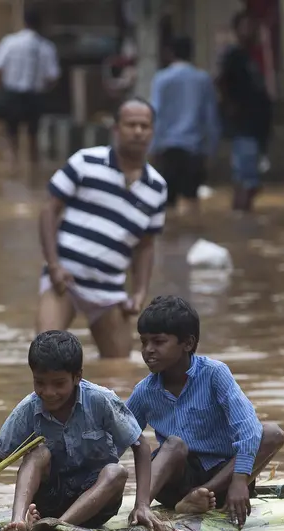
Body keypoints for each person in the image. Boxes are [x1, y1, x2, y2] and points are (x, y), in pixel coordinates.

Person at [0, 330, 168, 531]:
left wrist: (142, 505)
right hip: (50, 502)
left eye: (58, 383)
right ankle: (19, 521)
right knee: (37, 453)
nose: (48, 392)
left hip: (96, 504)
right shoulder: (29, 408)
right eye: (40, 382)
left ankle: (60, 526)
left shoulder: (101, 400)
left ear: (77, 377)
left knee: (116, 471)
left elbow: (140, 445)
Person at [126, 296, 284, 529]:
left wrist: (240, 480)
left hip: (222, 485)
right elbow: (118, 438)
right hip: (174, 486)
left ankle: (197, 497)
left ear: (188, 343)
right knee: (174, 445)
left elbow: (249, 430)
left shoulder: (214, 374)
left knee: (271, 433)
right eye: (144, 342)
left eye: (158, 342)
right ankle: (143, 509)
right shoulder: (144, 391)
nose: (148, 350)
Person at [37, 98, 165, 360]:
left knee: (120, 371)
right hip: (65, 281)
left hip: (109, 290)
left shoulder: (157, 187)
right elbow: (49, 210)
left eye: (144, 125)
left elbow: (145, 246)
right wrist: (53, 265)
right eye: (131, 125)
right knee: (46, 357)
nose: (138, 131)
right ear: (116, 129)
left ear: (152, 131)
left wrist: (139, 293)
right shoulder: (85, 161)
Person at [149, 37, 219, 217]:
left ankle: (169, 241)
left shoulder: (162, 79)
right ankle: (190, 239)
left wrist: (152, 147)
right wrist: (211, 150)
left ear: (170, 54)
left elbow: (156, 114)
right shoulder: (202, 79)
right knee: (191, 200)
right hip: (194, 149)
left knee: (166, 204)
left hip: (168, 148)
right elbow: (210, 118)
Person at [217, 12, 273, 214]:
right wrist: (230, 106)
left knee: (246, 179)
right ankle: (241, 216)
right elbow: (221, 81)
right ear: (237, 30)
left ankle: (242, 216)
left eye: (253, 26)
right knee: (248, 180)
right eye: (245, 26)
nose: (250, 31)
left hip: (256, 126)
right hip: (244, 125)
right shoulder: (233, 55)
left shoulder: (255, 56)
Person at [0, 6, 59, 164]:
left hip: (12, 93)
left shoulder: (10, 42)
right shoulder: (47, 47)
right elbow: (53, 77)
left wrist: (1, 87)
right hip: (35, 95)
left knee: (11, 133)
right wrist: (44, 89)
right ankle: (33, 167)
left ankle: (13, 165)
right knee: (33, 135)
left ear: (24, 22)